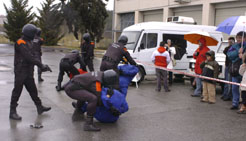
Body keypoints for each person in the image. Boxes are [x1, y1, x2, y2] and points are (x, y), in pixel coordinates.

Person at [10, 24, 52, 120]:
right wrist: (41, 65)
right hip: (20, 71)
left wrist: (42, 65)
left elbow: (33, 56)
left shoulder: (30, 42)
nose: (35, 35)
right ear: (29, 33)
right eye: (33, 33)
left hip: (28, 71)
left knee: (33, 90)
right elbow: (28, 57)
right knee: (17, 91)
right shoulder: (20, 42)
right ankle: (12, 112)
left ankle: (39, 107)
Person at [227, 31, 246, 110]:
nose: (238, 39)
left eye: (240, 38)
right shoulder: (234, 46)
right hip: (235, 70)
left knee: (244, 89)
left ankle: (243, 104)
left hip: (244, 72)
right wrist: (237, 53)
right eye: (237, 37)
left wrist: (243, 56)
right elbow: (229, 55)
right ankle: (235, 103)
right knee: (234, 87)